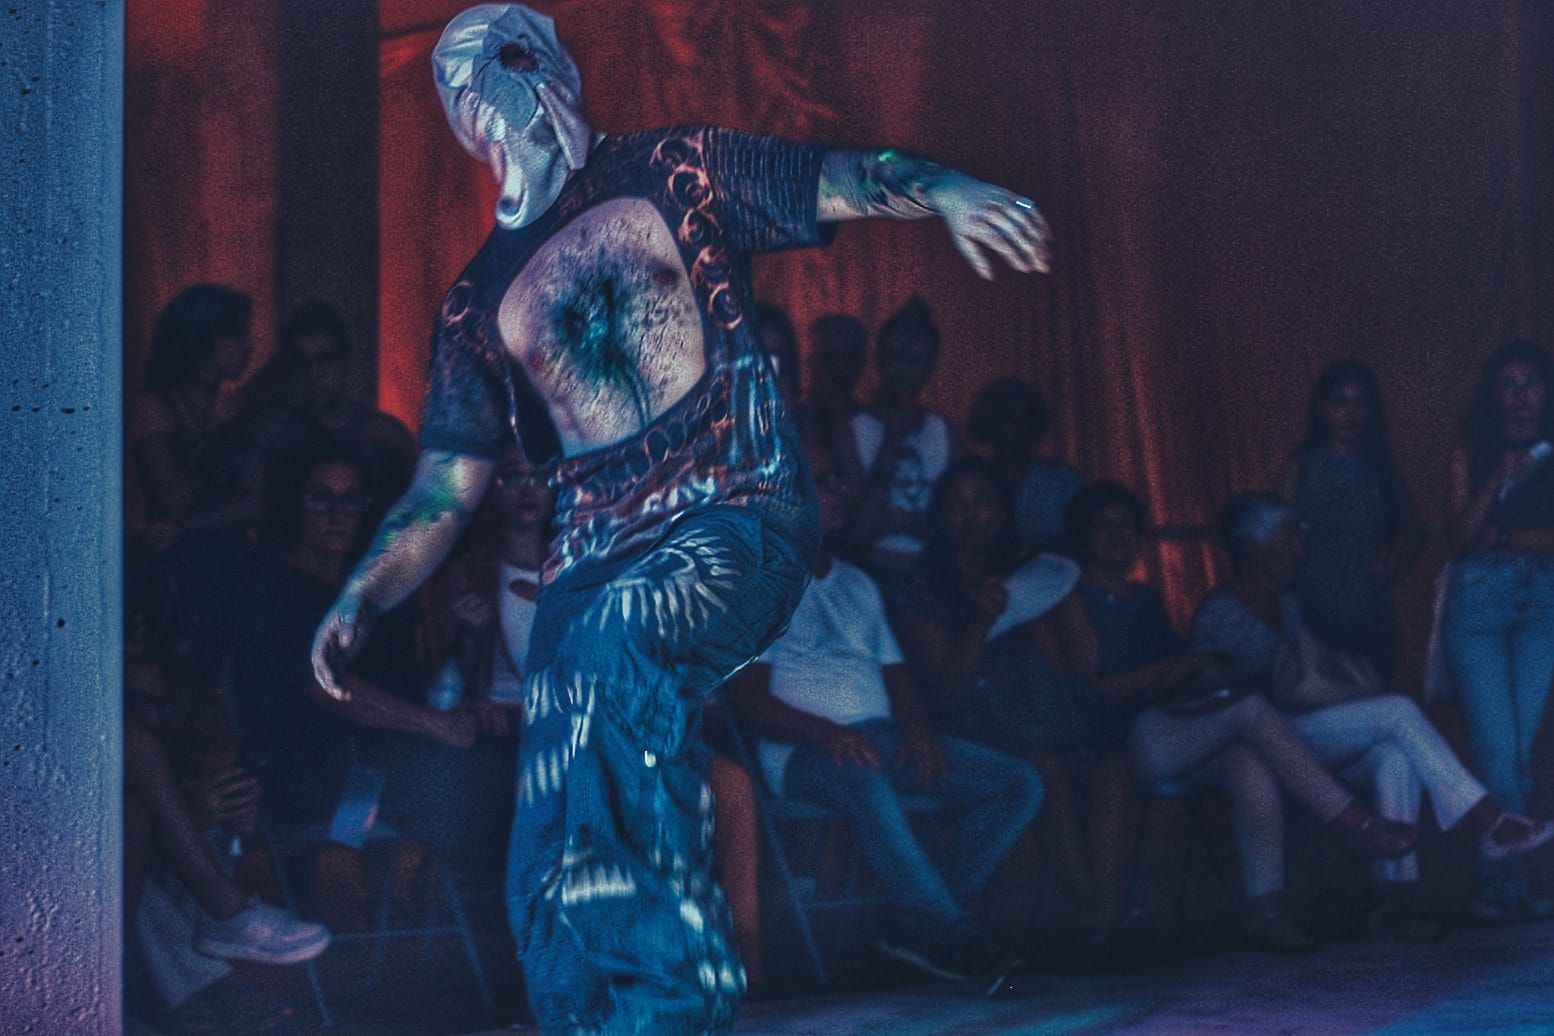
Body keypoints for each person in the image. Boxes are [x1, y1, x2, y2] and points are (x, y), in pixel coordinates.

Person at [308, 6, 1051, 1031]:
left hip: (729, 511)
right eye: (460, 77)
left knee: (618, 651)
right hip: (587, 562)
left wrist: (947, 188)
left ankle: (674, 1001)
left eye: (504, 61)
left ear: (550, 69)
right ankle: (587, 1018)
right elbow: (446, 485)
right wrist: (365, 587)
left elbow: (831, 174)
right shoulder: (477, 297)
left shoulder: (675, 170)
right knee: (552, 818)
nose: (484, 88)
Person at [729, 443, 1042, 990]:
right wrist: (828, 734)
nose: (841, 491)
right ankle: (953, 938)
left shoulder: (858, 583)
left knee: (1018, 783)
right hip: (804, 751)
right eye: (824, 481)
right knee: (864, 772)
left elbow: (897, 677)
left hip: (880, 738)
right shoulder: (762, 584)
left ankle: (911, 924)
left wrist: (918, 730)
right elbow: (749, 702)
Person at [1060, 481, 1424, 950]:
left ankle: (1265, 909)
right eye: (1104, 527)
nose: (1117, 536)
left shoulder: (1144, 598)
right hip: (1121, 743)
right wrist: (1170, 670)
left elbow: (1178, 671)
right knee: (1250, 709)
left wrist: (1197, 671)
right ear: (1082, 536)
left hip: (1173, 727)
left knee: (1248, 763)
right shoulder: (1072, 598)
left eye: (1126, 527)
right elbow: (1094, 689)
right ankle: (1352, 822)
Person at [1192, 493, 1554, 935]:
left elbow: (1302, 680)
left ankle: (1392, 902)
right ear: (1254, 547)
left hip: (1298, 736)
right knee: (1397, 713)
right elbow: (1210, 699)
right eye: (1288, 539)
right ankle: (1492, 820)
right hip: (1256, 745)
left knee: (1394, 757)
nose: (1299, 550)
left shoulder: (1284, 604)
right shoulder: (1221, 613)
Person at [1444, 341, 1554, 921]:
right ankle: (1497, 888)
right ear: (1493, 396)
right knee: (1496, 745)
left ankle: (1507, 887)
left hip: (1542, 599)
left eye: (1530, 383)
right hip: (1480, 604)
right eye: (1507, 385)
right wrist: (1496, 480)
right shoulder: (1473, 451)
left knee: (1521, 745)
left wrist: (1506, 539)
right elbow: (1460, 539)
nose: (1519, 396)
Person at [1280, 360, 1423, 682]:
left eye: (1360, 402)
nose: (1351, 412)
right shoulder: (1301, 469)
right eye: (1341, 401)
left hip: (1370, 618)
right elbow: (1276, 539)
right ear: (1322, 408)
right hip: (1313, 616)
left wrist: (1393, 568)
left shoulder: (1380, 468)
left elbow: (1415, 533)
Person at [239, 301, 419, 505]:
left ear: (345, 362)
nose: (313, 374)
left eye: (325, 360)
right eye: (301, 363)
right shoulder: (277, 437)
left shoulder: (385, 436)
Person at [129, 284, 256, 550]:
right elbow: (174, 502)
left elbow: (255, 500)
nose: (248, 347)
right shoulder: (153, 406)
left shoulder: (237, 402)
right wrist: (215, 433)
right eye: (235, 335)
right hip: (175, 563)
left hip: (233, 554)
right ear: (203, 338)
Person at [848, 297, 960, 578]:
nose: (904, 369)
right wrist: (891, 439)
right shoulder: (853, 430)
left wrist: (906, 522)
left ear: (930, 365)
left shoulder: (945, 432)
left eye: (915, 360)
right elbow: (857, 530)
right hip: (870, 572)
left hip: (930, 574)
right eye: (895, 357)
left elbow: (956, 524)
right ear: (880, 359)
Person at [970, 377, 1082, 555]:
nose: (1014, 426)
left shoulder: (1062, 481)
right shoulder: (971, 480)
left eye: (1023, 417)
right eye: (1006, 416)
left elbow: (1082, 543)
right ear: (989, 422)